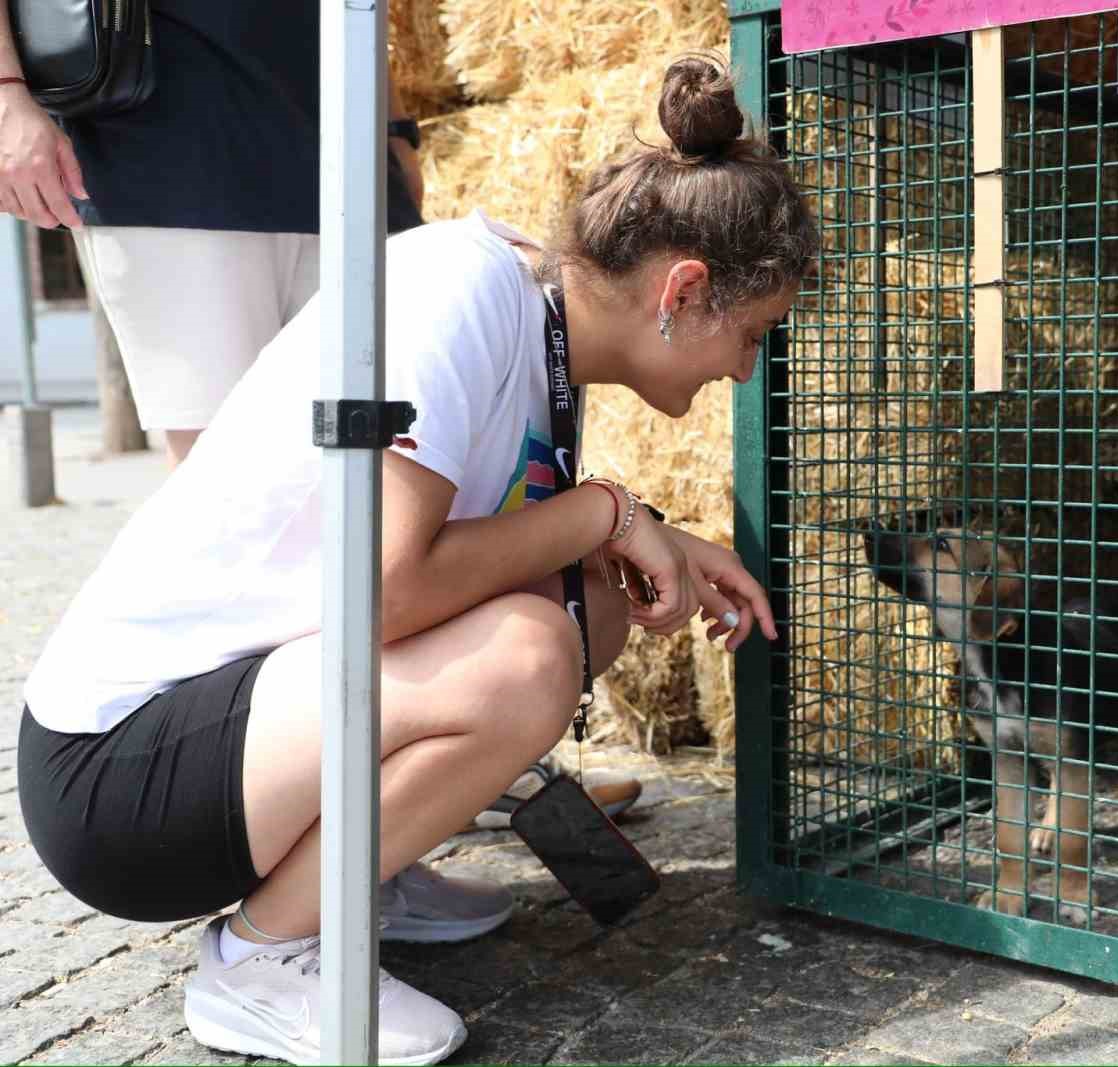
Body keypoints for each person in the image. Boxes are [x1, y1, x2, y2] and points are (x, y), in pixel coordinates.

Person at [16, 54, 818, 1065]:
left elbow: (498, 556)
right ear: (684, 287)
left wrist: (635, 529)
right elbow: (387, 593)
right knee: (530, 651)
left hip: (232, 725)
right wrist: (606, 510)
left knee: (592, 606)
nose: (742, 367)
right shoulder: (462, 291)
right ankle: (262, 959)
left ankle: (362, 872)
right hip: (114, 775)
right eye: (749, 334)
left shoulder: (534, 320)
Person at [0, 1, 641, 819]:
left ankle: (425, 774)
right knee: (253, 534)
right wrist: (5, 90)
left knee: (418, 501)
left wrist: (396, 125)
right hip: (166, 132)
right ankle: (312, 840)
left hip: (331, 133)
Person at [0, 1, 424, 469]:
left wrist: (394, 125)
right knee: (228, 476)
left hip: (348, 148)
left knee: (385, 465)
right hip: (166, 149)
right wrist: (7, 97)